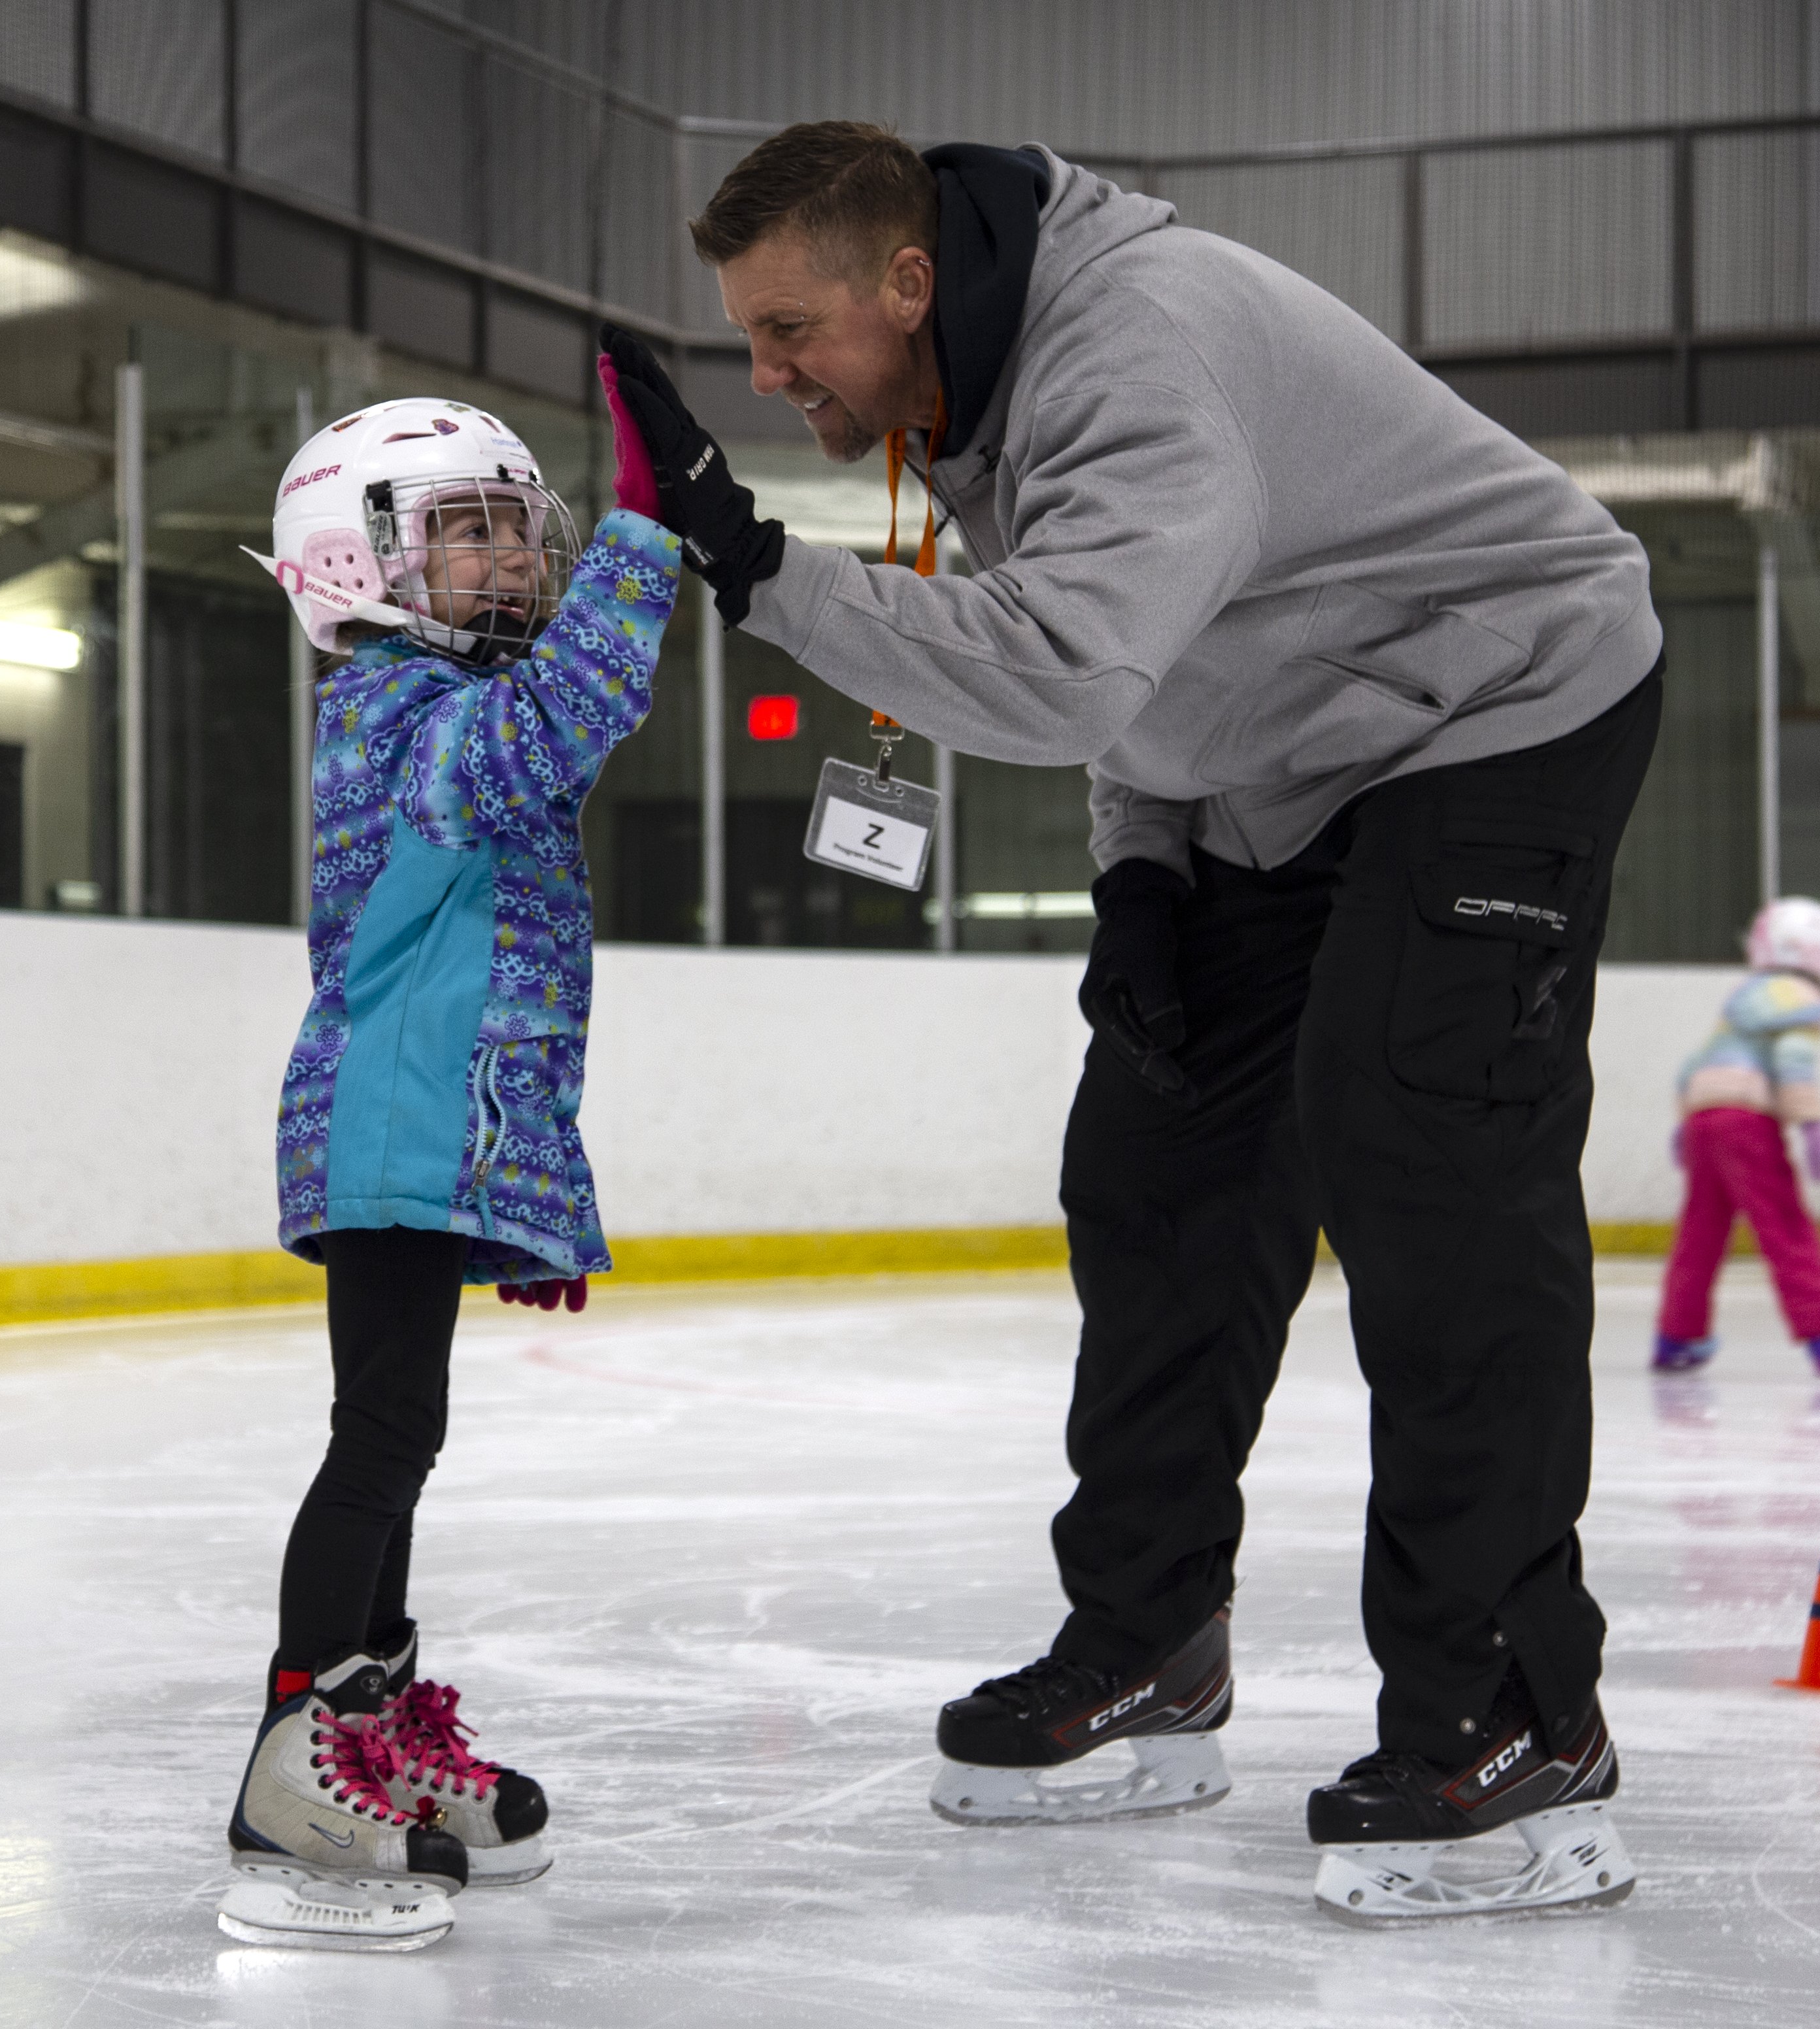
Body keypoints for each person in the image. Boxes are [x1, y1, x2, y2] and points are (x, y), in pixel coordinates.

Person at [600, 122, 1663, 1924]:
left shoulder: (1133, 344)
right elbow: (1151, 686)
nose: (767, 373)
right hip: (1276, 780)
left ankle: (1515, 1715)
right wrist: (1147, 873)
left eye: (789, 332)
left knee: (1418, 1146)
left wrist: (758, 565)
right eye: (752, 342)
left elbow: (1070, 655)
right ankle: (1150, 1643)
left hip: (1497, 707)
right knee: (1157, 1165)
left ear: (907, 285)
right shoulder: (974, 390)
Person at [215, 395, 679, 1951]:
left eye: (514, 525)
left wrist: (524, 1189)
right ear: (355, 562)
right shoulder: (396, 714)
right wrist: (644, 536)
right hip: (390, 1130)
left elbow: (506, 971)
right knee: (383, 1431)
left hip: (437, 1139)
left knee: (403, 1435)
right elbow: (560, 719)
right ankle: (291, 1757)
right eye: (464, 529)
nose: (505, 557)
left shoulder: (444, 709)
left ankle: (375, 1725)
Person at [1653, 897, 1820, 1377]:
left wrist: (1684, 1121)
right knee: (1785, 1226)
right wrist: (1811, 1122)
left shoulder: (1744, 997)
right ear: (1810, 952)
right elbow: (1793, 1063)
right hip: (1747, 1124)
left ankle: (1677, 1337)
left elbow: (1697, 1064)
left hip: (1704, 1119)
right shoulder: (1801, 1001)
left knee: (1700, 1232)